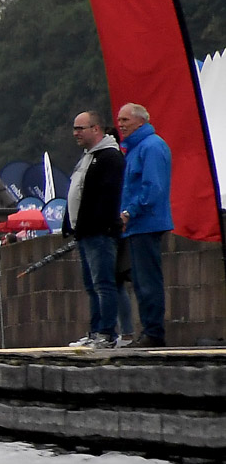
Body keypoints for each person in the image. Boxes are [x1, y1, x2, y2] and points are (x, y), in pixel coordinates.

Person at [113, 102, 176, 347]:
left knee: (148, 281)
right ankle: (148, 331)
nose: (120, 125)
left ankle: (154, 333)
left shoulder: (151, 147)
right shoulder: (136, 149)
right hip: (137, 226)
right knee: (140, 281)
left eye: (125, 121)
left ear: (141, 121)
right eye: (119, 121)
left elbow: (153, 187)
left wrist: (130, 211)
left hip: (147, 223)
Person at [65, 111, 126, 348]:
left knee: (103, 284)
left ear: (96, 129)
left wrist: (98, 224)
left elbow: (108, 197)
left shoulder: (110, 157)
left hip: (100, 233)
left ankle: (107, 334)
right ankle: (95, 331)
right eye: (74, 128)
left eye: (80, 128)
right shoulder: (87, 158)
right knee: (92, 286)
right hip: (85, 232)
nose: (75, 133)